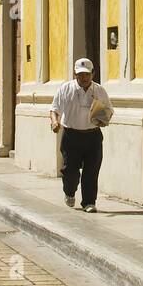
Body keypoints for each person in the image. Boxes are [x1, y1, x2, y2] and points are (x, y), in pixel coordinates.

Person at [50, 58, 113, 212]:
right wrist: (54, 122)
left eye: (87, 75)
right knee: (70, 171)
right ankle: (69, 192)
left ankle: (89, 202)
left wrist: (104, 119)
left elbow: (109, 110)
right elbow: (54, 109)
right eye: (80, 75)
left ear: (93, 74)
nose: (84, 78)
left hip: (93, 136)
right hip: (71, 136)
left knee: (92, 171)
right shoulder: (66, 89)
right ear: (75, 74)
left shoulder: (99, 90)